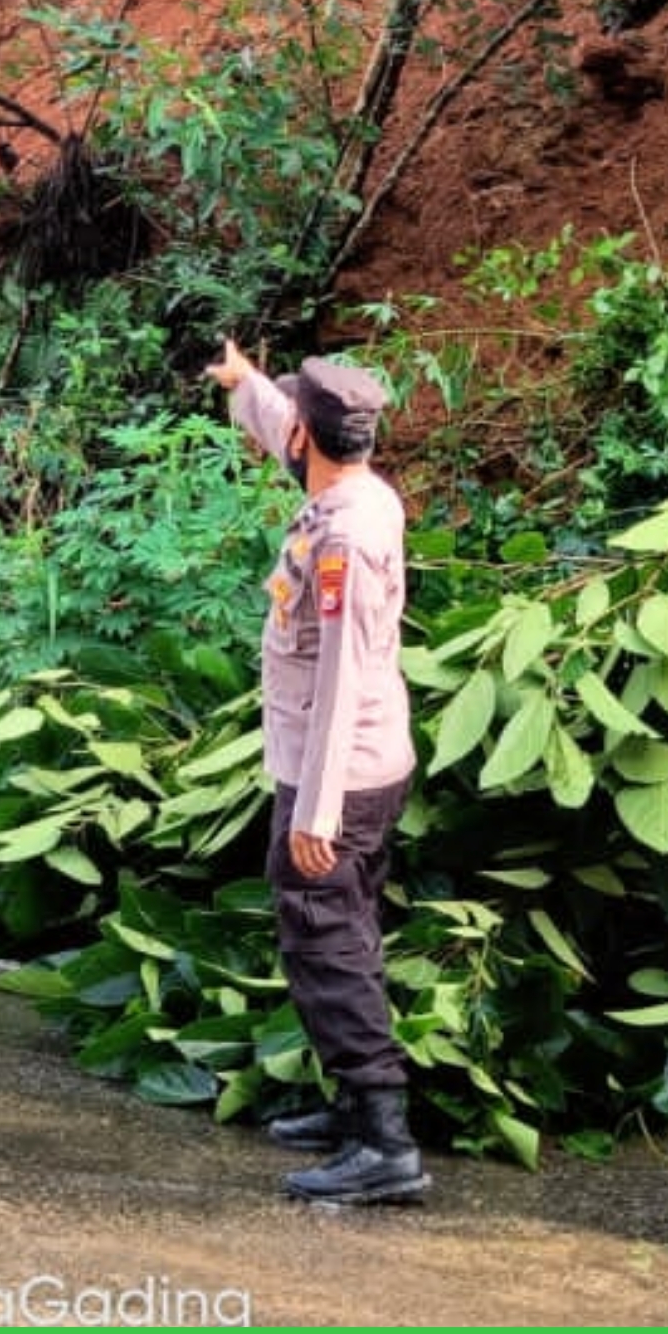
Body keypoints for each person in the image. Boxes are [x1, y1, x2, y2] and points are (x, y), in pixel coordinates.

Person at [211, 338, 424, 1205]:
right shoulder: (357, 487)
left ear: (310, 437)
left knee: (325, 941)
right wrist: (244, 382)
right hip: (353, 764)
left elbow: (342, 679)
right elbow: (280, 425)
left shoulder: (347, 539)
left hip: (338, 772)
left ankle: (386, 1143)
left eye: (288, 416)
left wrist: (318, 813)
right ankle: (352, 1108)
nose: (280, 427)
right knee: (342, 929)